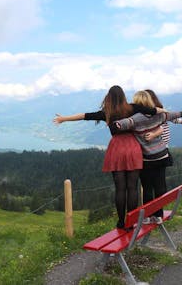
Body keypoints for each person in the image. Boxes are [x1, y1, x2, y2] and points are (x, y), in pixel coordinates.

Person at [53, 85, 165, 229]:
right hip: (133, 148)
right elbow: (154, 111)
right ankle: (131, 222)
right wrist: (167, 112)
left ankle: (121, 222)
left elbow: (84, 116)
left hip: (117, 148)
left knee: (120, 189)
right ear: (124, 96)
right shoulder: (133, 108)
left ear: (109, 97)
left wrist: (64, 119)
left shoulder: (107, 112)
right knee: (132, 188)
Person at [112, 90, 182, 224]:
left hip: (147, 159)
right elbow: (171, 115)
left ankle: (149, 216)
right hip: (162, 155)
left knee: (147, 187)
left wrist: (113, 120)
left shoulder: (136, 119)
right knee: (160, 185)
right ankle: (158, 215)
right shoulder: (159, 116)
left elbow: (120, 125)